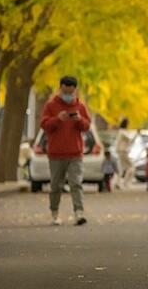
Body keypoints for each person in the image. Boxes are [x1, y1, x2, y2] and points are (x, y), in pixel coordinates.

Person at [40, 76, 90, 226]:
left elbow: (87, 126)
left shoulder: (80, 106)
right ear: (60, 88)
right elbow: (44, 125)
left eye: (71, 90)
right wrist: (57, 119)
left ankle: (79, 212)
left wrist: (79, 120)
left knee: (76, 183)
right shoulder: (51, 106)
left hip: (75, 153)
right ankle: (54, 213)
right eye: (65, 90)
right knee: (56, 185)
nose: (68, 93)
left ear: (75, 90)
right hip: (56, 154)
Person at [114, 118, 136, 189]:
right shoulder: (122, 132)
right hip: (123, 151)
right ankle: (126, 183)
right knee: (131, 167)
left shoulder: (122, 131)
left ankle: (118, 183)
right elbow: (129, 139)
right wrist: (136, 134)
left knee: (122, 168)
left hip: (122, 151)